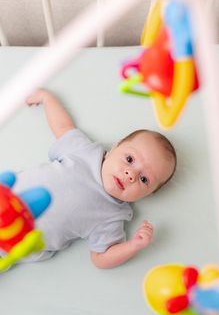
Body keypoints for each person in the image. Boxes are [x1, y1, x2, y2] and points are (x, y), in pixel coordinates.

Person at [14, 88, 176, 269]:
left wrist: (134, 245)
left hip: (14, 243)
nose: (131, 175)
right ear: (115, 148)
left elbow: (101, 258)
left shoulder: (112, 215)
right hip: (7, 194)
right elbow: (63, 127)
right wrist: (47, 99)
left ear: (147, 194)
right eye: (129, 159)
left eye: (144, 180)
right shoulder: (85, 152)